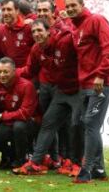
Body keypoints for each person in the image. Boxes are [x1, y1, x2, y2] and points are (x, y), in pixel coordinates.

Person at [14, 19, 83, 176]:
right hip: (61, 90)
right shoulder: (36, 50)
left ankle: (78, 163)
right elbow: (30, 70)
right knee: (48, 123)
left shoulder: (64, 41)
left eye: (39, 30)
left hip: (78, 89)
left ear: (48, 31)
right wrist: (12, 72)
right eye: (33, 32)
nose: (37, 34)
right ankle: (36, 163)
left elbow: (83, 52)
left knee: (77, 126)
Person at [65, 0, 109, 183]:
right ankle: (99, 169)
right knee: (87, 124)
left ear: (82, 4)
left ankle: (86, 171)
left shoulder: (96, 20)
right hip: (84, 83)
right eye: (67, 6)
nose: (70, 9)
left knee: (90, 123)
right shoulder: (74, 27)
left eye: (73, 5)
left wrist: (100, 74)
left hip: (100, 82)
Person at [0, 57, 39, 168]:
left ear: (14, 71)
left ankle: (22, 160)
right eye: (0, 72)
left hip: (28, 123)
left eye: (6, 72)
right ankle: (10, 156)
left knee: (19, 126)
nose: (2, 75)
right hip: (8, 123)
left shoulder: (27, 86)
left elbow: (24, 113)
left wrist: (1, 116)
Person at [0, 0, 34, 67]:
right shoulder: (0, 31)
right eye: (3, 10)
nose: (5, 13)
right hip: (9, 74)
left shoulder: (28, 28)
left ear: (17, 11)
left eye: (9, 9)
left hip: (27, 74)